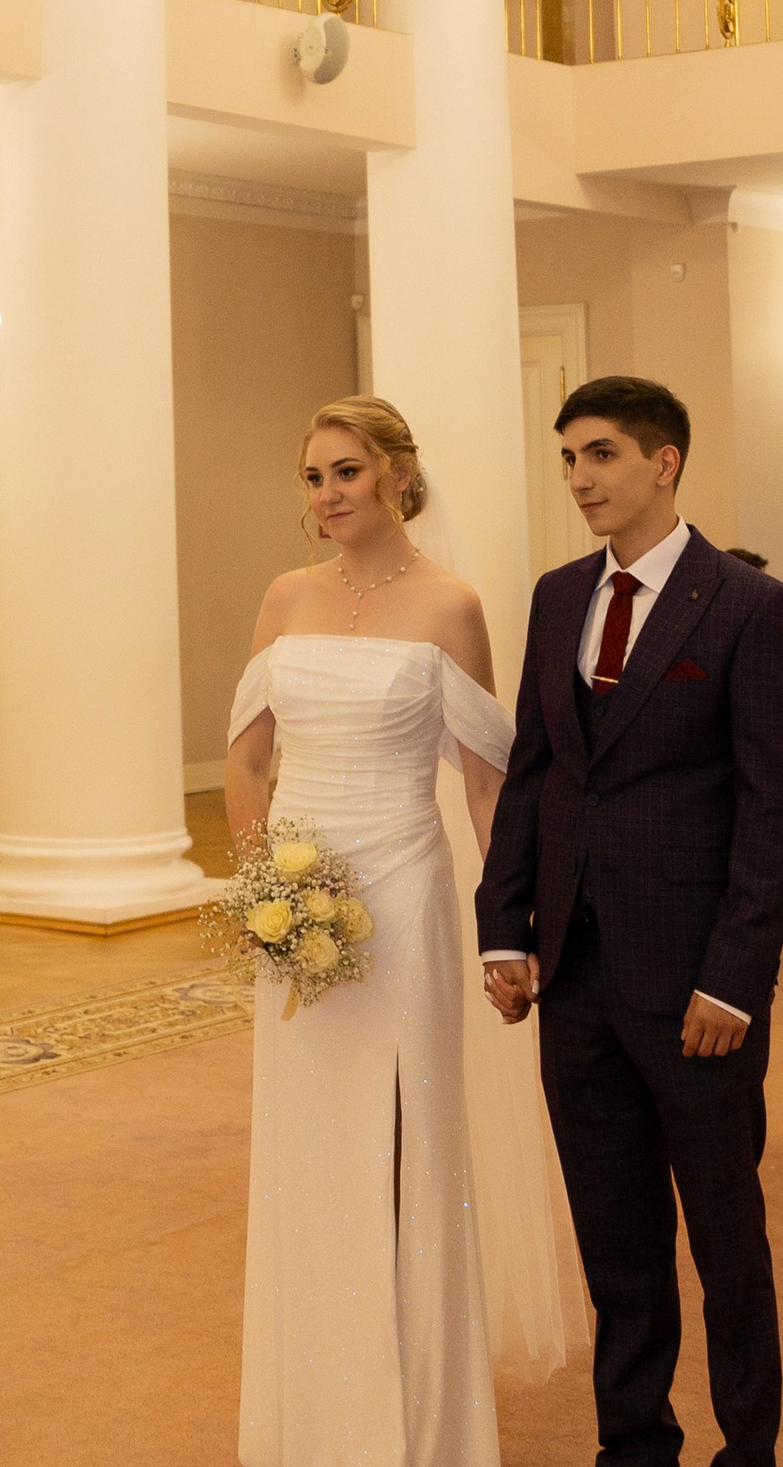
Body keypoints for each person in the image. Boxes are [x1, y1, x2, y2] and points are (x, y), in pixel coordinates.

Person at [226, 397, 576, 1466]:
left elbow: (484, 787)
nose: (326, 495)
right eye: (312, 476)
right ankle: (317, 1410)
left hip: (407, 886)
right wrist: (265, 892)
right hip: (297, 897)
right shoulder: (285, 597)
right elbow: (245, 763)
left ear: (395, 476)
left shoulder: (449, 605)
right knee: (311, 1138)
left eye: (345, 472)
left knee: (406, 1138)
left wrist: (506, 929)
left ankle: (420, 1421)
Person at [481, 375, 783, 1467]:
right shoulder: (555, 593)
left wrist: (735, 980)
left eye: (602, 454)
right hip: (571, 973)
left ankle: (747, 1448)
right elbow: (535, 770)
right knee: (615, 1240)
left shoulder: (750, 607)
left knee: (725, 1238)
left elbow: (773, 811)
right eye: (568, 455)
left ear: (662, 462)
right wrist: (505, 927)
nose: (579, 477)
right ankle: (633, 1445)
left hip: (693, 986)